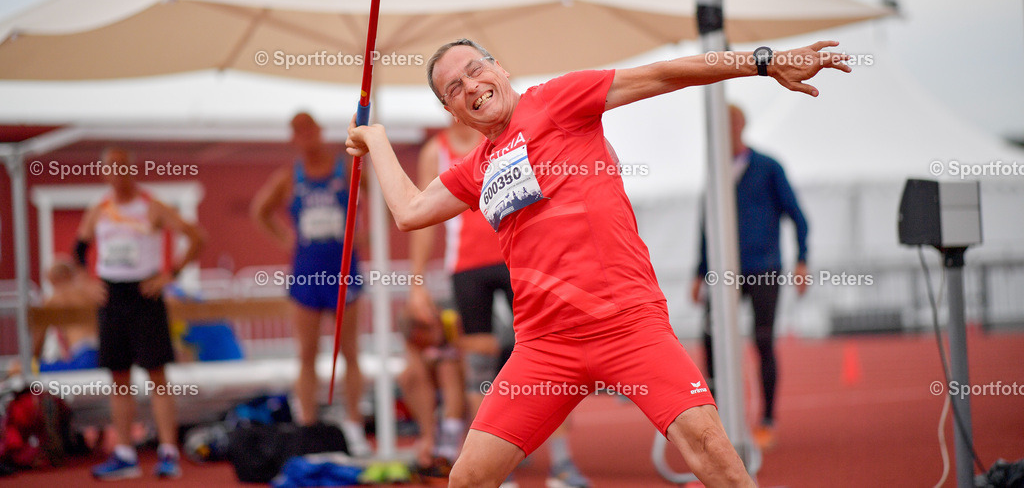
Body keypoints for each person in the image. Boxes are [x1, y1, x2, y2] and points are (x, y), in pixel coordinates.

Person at [346, 38, 849, 488]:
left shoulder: (557, 100)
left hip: (627, 326)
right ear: (451, 111)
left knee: (710, 448)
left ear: (498, 67)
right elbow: (410, 211)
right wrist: (376, 140)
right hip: (544, 349)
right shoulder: (475, 168)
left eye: (475, 69)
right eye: (454, 88)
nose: (471, 86)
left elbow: (663, 73)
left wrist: (762, 63)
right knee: (470, 477)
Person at [410, 120, 591, 488]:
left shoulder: (503, 136)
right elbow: (424, 218)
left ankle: (561, 462)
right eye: (453, 91)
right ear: (446, 104)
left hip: (519, 259)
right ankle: (498, 470)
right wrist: (416, 283)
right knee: (478, 367)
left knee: (552, 353)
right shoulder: (435, 152)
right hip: (467, 268)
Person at [75, 147, 205, 480]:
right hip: (111, 296)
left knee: (157, 375)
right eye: (110, 167)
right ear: (104, 173)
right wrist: (87, 283)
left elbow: (195, 237)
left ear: (133, 170)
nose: (117, 173)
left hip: (144, 295)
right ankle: (124, 454)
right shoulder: (99, 210)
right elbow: (79, 249)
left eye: (122, 166)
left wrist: (170, 274)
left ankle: (168, 452)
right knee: (119, 377)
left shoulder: (152, 206)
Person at [691, 104, 809, 451]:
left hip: (764, 269)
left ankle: (767, 419)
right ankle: (716, 417)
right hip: (723, 271)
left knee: (762, 340)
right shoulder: (714, 172)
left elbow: (798, 217)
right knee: (710, 336)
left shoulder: (768, 167)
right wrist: (699, 272)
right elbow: (706, 226)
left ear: (741, 124)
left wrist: (802, 260)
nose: (724, 130)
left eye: (729, 123)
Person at [251, 111, 370, 456]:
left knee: (349, 352)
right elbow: (260, 210)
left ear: (319, 130)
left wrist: (365, 232)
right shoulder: (289, 176)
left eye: (310, 128)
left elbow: (377, 193)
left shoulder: (346, 167)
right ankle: (308, 425)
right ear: (293, 137)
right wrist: (284, 238)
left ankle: (353, 425)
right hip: (306, 271)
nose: (306, 135)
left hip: (344, 268)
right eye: (298, 131)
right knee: (307, 354)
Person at [396, 304, 465, 474]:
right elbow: (416, 369)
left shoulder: (452, 321)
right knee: (409, 376)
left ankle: (450, 439)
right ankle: (429, 438)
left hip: (472, 382)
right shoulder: (415, 336)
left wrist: (454, 348)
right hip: (440, 384)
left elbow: (478, 354)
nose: (421, 344)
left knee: (447, 369)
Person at [32, 256, 102, 372]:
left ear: (52, 281)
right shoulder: (94, 290)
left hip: (84, 359)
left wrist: (32, 366)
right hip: (108, 355)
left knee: (19, 368)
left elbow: (37, 344)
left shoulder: (54, 300)